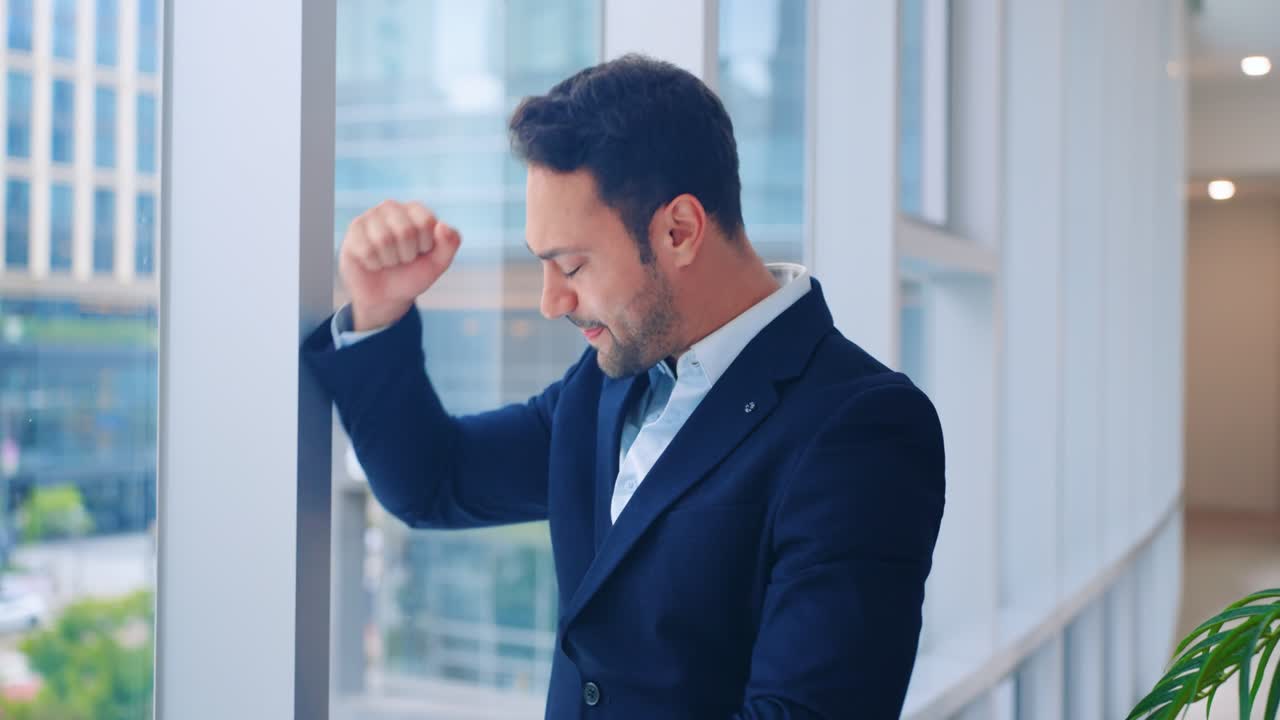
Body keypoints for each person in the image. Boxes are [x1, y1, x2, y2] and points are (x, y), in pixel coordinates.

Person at [303, 54, 945, 720]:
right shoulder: (609, 382)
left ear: (680, 231)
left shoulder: (861, 428)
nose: (551, 302)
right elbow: (436, 479)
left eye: (572, 265)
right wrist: (377, 311)